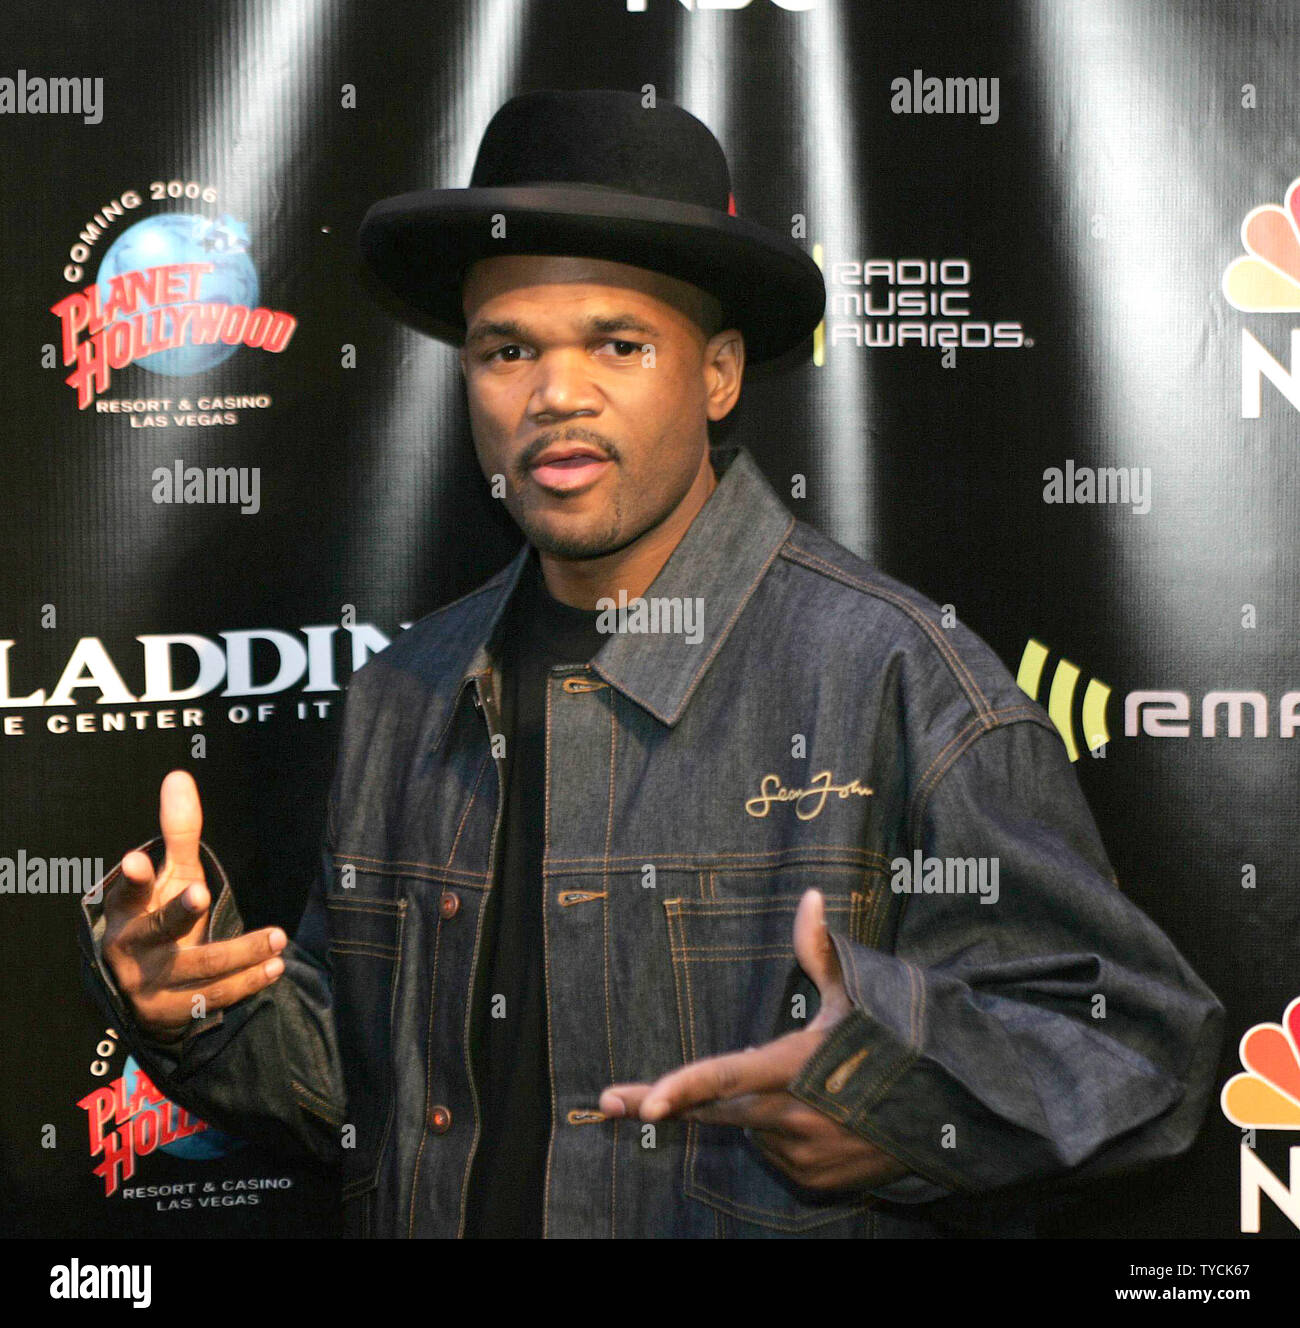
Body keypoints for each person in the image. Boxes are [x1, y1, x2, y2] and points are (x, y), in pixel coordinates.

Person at [79, 88, 1224, 1239]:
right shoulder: (404, 690)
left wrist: (904, 1105)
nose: (556, 394)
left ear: (718, 374)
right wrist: (196, 1002)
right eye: (506, 348)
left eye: (617, 343)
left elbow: (1138, 1053)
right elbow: (358, 1097)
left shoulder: (898, 679)